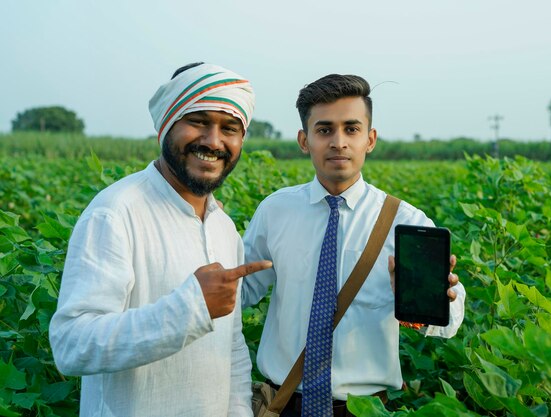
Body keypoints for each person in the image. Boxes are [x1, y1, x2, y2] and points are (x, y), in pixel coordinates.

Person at [49, 62, 271, 417]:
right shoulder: (117, 212)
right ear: (166, 125)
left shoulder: (224, 228)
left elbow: (231, 348)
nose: (214, 141)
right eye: (198, 121)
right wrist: (191, 307)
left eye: (229, 128)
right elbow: (72, 344)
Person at [241, 74, 466, 417]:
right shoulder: (276, 210)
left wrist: (431, 302)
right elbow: (242, 290)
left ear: (370, 139)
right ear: (304, 140)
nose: (339, 142)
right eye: (324, 129)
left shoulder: (404, 220)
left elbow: (450, 318)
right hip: (283, 404)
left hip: (365, 409)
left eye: (351, 129)